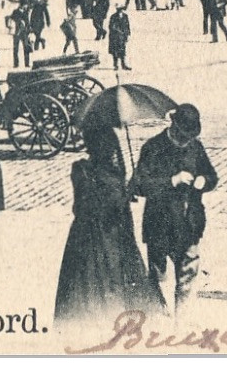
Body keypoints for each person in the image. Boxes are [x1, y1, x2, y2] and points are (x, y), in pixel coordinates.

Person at [54, 124, 163, 325]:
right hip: (111, 234)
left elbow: (79, 208)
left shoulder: (81, 169)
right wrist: (124, 193)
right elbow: (108, 207)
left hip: (85, 235)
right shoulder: (110, 175)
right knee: (112, 282)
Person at [131, 104, 218, 312]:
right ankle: (162, 317)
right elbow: (139, 185)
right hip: (159, 224)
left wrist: (203, 181)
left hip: (189, 223)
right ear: (174, 127)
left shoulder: (196, 147)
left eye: (190, 136)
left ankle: (182, 321)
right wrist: (172, 181)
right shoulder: (153, 148)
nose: (186, 140)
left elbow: (212, 177)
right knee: (159, 278)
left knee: (188, 275)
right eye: (183, 135)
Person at [107, 5, 132, 70]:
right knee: (115, 52)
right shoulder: (113, 16)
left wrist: (128, 34)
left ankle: (123, 65)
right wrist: (118, 31)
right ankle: (115, 65)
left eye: (121, 9)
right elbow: (111, 26)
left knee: (122, 51)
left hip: (122, 37)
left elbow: (127, 25)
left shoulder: (125, 16)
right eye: (119, 9)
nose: (120, 11)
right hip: (115, 37)